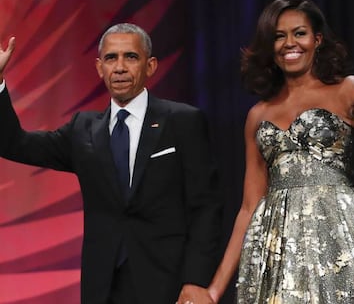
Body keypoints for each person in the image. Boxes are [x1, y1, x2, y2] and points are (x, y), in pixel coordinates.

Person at [206, 0, 354, 304]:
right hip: (279, 250)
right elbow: (249, 208)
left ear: (317, 39)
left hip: (339, 237)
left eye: (299, 33)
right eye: (279, 35)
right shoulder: (258, 115)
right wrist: (213, 290)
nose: (290, 43)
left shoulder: (350, 89)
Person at [0, 23, 222, 304]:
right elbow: (14, 144)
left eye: (131, 57)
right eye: (110, 58)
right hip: (103, 287)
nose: (119, 67)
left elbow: (206, 207)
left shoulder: (183, 121)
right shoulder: (83, 129)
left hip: (169, 284)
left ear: (150, 66)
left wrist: (197, 280)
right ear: (99, 68)